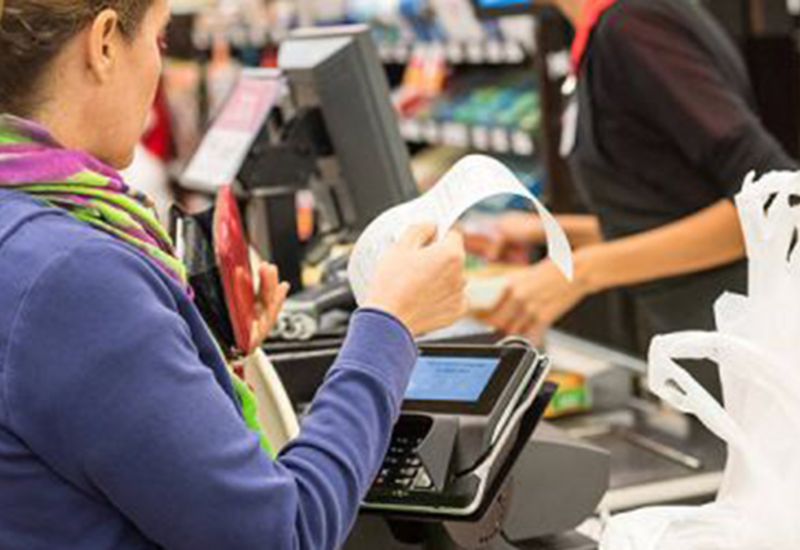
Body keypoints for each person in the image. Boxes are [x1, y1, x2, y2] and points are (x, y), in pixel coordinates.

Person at [0, 1, 468, 549]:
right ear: (104, 43)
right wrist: (389, 324)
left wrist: (194, 350)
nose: (158, 64)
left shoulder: (27, 228)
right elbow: (283, 534)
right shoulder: (72, 277)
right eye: (159, 39)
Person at [482, 0, 797, 351]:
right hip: (705, 343)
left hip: (744, 349)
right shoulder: (613, 30)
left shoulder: (633, 27)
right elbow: (671, 210)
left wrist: (581, 272)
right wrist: (551, 232)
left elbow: (773, 203)